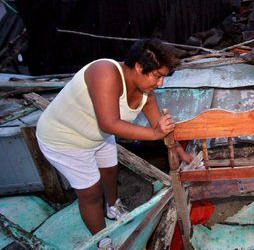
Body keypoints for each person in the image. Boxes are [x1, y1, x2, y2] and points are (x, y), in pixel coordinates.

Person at [36, 39, 192, 250]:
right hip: (65, 139)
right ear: (139, 66)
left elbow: (159, 125)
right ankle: (102, 239)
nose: (161, 83)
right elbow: (109, 123)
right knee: (91, 193)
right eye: (157, 76)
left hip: (97, 135)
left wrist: (177, 148)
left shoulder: (147, 93)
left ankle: (113, 207)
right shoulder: (104, 71)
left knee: (110, 171)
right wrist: (154, 134)